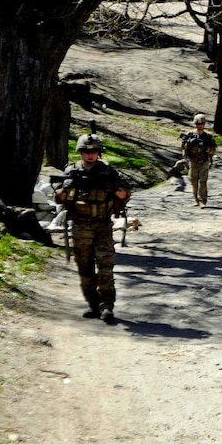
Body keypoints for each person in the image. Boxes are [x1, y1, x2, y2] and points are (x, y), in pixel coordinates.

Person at [55, 133, 130, 324]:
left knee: (105, 268)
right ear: (81, 152)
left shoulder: (109, 172)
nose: (90, 155)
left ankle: (107, 307)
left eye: (94, 151)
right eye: (86, 151)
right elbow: (58, 198)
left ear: (99, 152)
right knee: (85, 269)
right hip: (80, 226)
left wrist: (112, 186)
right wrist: (67, 186)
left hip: (102, 226)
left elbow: (124, 194)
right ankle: (93, 305)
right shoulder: (71, 170)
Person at [182, 113, 217, 207]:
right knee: (193, 181)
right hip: (193, 161)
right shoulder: (190, 135)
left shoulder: (208, 137)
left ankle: (202, 200)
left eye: (201, 124)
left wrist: (206, 148)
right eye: (198, 124)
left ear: (204, 124)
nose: (200, 126)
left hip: (204, 161)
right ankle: (196, 200)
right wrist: (188, 144)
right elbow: (183, 148)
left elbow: (214, 151)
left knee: (203, 181)